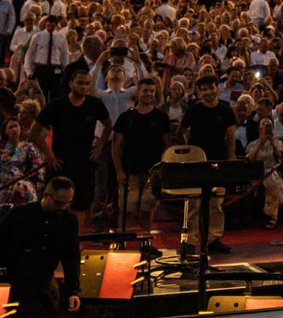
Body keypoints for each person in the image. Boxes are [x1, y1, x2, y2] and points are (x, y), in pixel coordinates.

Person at [0, 175, 82, 318]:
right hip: (14, 282)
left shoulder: (68, 221)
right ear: (46, 195)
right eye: (59, 202)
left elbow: (71, 257)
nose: (62, 207)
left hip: (43, 283)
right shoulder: (19, 215)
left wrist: (73, 290)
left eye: (67, 203)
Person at [39, 66, 109, 227]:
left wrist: (99, 147)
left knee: (81, 205)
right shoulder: (58, 105)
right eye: (80, 83)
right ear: (71, 84)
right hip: (60, 161)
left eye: (87, 83)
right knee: (54, 204)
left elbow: (108, 124)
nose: (84, 87)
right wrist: (48, 153)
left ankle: (74, 240)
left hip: (84, 162)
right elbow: (35, 131)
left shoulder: (94, 104)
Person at [179, 74, 237, 258]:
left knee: (216, 204)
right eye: (203, 89)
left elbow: (230, 138)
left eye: (210, 88)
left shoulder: (226, 110)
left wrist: (230, 159)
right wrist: (189, 150)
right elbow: (181, 131)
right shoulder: (194, 110)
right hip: (196, 162)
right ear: (198, 91)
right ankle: (189, 241)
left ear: (217, 88)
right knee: (194, 204)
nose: (208, 92)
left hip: (218, 161)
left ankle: (214, 239)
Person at [110, 79, 170, 231]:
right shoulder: (126, 117)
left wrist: (163, 169)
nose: (149, 94)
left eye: (151, 91)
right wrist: (119, 170)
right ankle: (122, 242)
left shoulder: (161, 117)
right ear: (138, 92)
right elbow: (116, 146)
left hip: (153, 171)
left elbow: (166, 145)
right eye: (145, 91)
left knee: (148, 207)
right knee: (126, 208)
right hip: (130, 170)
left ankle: (146, 242)